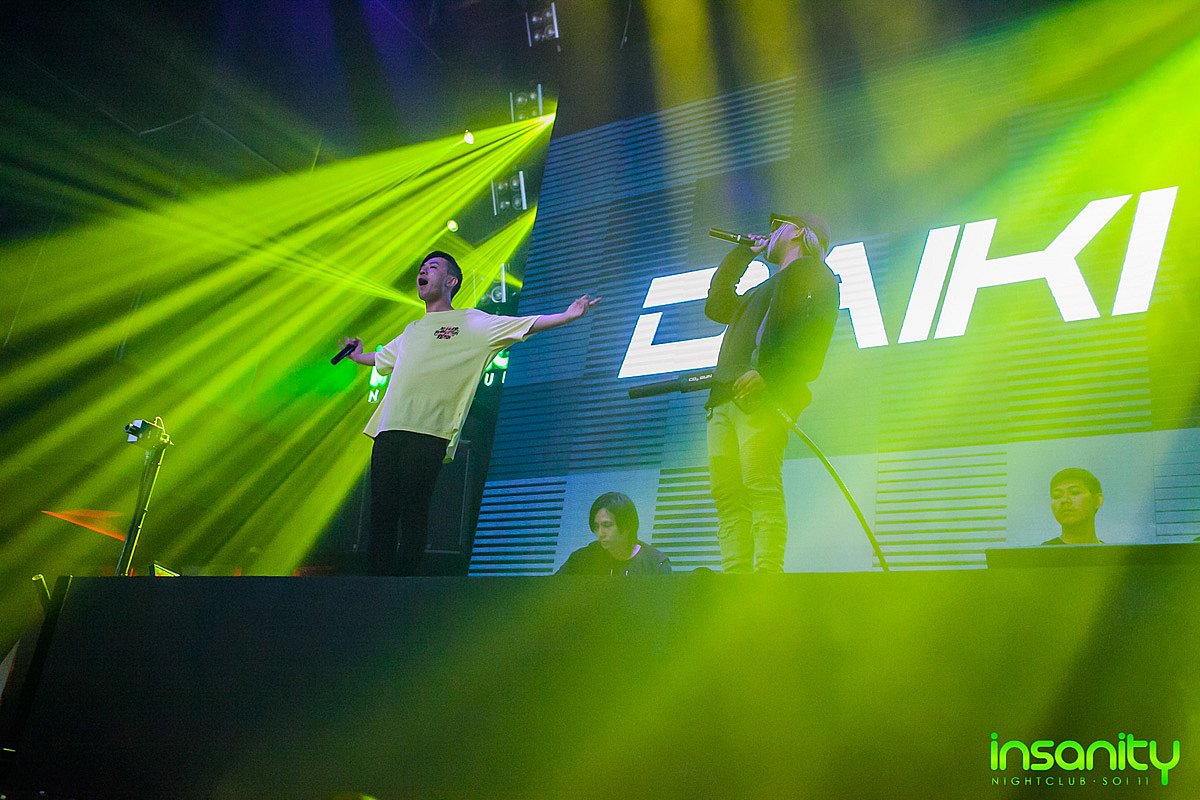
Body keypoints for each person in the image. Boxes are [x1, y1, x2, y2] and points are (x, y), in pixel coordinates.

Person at [341, 250, 599, 576]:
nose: (423, 271)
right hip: (389, 428)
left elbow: (524, 324)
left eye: (433, 267)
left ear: (451, 281)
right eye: (422, 267)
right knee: (381, 510)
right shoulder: (413, 329)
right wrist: (358, 356)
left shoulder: (473, 322)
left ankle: (403, 586)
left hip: (430, 431)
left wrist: (567, 316)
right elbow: (382, 360)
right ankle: (373, 585)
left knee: (413, 510)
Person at [704, 213, 840, 573]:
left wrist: (769, 374)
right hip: (724, 400)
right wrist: (740, 255)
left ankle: (767, 577)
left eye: (777, 224)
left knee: (759, 486)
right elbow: (717, 305)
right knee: (727, 496)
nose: (770, 232)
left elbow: (812, 342)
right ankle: (735, 578)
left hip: (761, 400)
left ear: (797, 231)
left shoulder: (816, 276)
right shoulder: (759, 292)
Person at [556, 492, 671, 575]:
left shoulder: (655, 563)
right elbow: (553, 589)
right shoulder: (582, 558)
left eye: (607, 525)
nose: (600, 533)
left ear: (627, 526)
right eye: (596, 527)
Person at [1042, 467, 1104, 545]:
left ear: (1097, 501)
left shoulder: (1112, 552)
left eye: (1075, 492)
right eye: (1057, 495)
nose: (1064, 500)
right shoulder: (1042, 552)